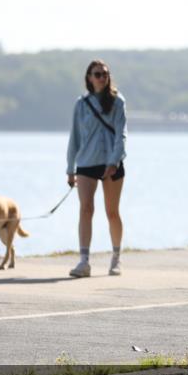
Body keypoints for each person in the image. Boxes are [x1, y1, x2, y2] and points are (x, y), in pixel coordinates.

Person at [66, 60, 128, 277]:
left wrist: (113, 162)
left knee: (112, 212)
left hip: (112, 162)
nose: (102, 77)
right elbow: (74, 138)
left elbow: (121, 135)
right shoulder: (81, 104)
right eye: (97, 74)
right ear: (89, 78)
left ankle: (116, 258)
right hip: (86, 163)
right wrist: (70, 168)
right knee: (86, 209)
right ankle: (84, 261)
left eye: (105, 74)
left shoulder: (118, 102)